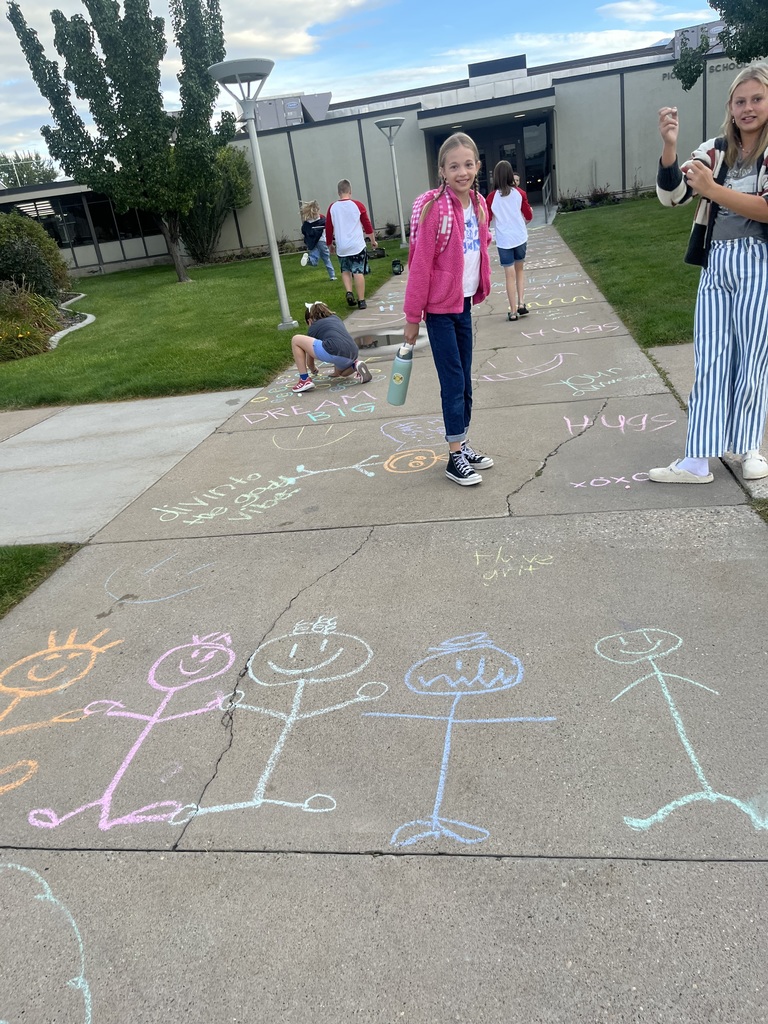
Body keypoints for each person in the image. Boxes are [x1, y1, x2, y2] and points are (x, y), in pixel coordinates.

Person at [650, 63, 768, 484]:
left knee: (753, 357)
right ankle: (698, 457)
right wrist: (669, 146)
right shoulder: (715, 150)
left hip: (759, 261)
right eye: (741, 101)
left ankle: (749, 447)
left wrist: (715, 190)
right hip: (716, 261)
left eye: (757, 99)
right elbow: (673, 196)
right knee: (712, 358)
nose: (748, 108)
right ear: (730, 107)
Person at [403, 132, 493, 486]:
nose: (462, 171)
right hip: (439, 312)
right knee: (453, 380)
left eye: (468, 164)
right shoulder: (434, 208)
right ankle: (454, 456)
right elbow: (421, 264)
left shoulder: (479, 204)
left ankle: (463, 441)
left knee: (466, 378)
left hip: (465, 304)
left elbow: (481, 241)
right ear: (441, 170)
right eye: (454, 166)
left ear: (477, 166)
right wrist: (413, 318)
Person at [290, 301, 372, 394]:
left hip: (334, 350)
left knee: (296, 339)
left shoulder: (314, 326)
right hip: (352, 352)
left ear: (310, 320)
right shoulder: (336, 319)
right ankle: (355, 365)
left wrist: (312, 368)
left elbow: (310, 359)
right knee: (341, 373)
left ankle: (304, 380)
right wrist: (335, 372)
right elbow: (337, 340)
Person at [487, 160, 533, 321]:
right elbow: (528, 215)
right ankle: (521, 303)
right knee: (520, 270)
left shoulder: (492, 197)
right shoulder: (520, 193)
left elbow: (487, 220)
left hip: (504, 240)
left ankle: (512, 311)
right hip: (519, 237)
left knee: (509, 276)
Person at [325, 180, 377, 310]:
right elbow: (367, 225)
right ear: (350, 191)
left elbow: (329, 228)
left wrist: (330, 244)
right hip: (357, 245)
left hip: (342, 246)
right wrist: (372, 240)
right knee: (358, 271)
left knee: (345, 270)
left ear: (338, 193)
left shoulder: (332, 208)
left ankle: (349, 291)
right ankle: (361, 300)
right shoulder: (357, 205)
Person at [299, 200, 336, 281]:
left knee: (314, 260)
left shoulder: (307, 223)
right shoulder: (322, 219)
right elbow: (329, 227)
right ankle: (332, 276)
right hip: (322, 242)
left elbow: (304, 231)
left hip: (312, 243)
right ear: (318, 210)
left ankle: (308, 259)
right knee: (326, 258)